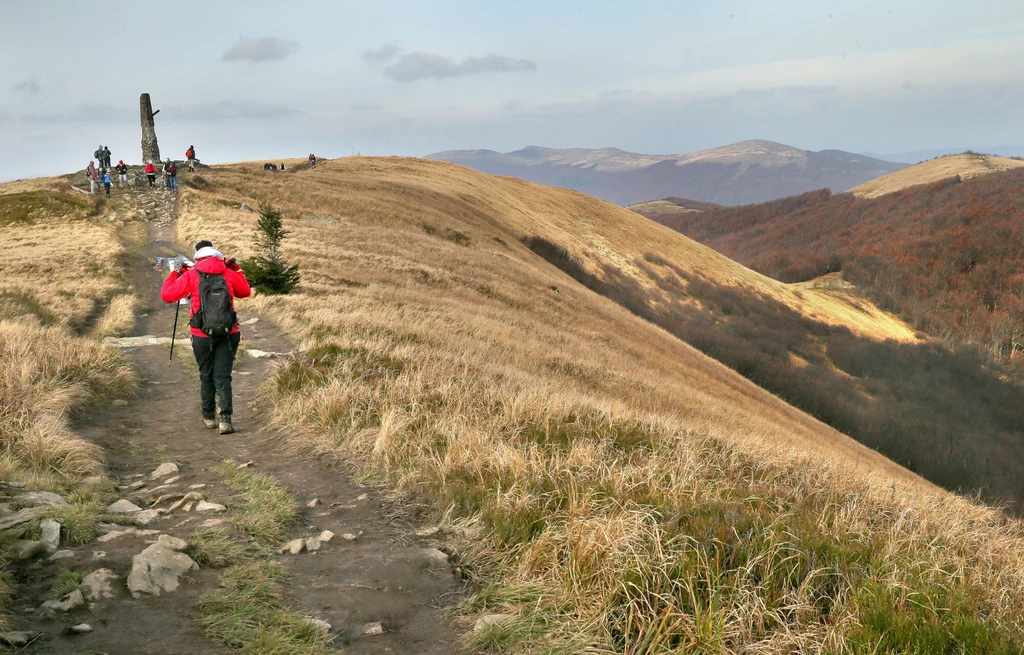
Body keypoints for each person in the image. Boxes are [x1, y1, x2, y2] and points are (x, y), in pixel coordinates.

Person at [160, 240, 251, 433]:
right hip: (229, 332)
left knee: (206, 374)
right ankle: (225, 419)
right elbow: (245, 292)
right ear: (215, 254)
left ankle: (209, 417)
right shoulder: (228, 273)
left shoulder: (192, 275)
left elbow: (167, 295)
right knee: (223, 375)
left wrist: (175, 273)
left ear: (197, 255)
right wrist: (238, 270)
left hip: (201, 334)